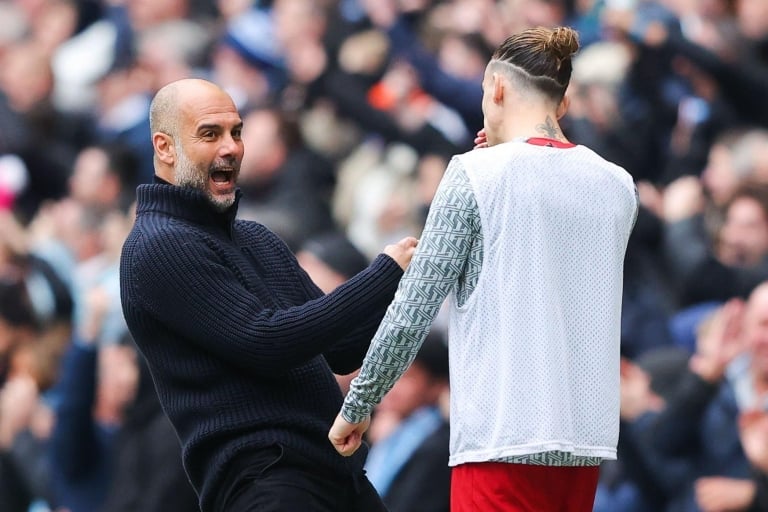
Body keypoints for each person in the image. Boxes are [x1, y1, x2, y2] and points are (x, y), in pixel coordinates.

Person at [329, 26, 639, 511]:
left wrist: (360, 402)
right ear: (562, 105)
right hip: (584, 438)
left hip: (501, 434)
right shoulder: (618, 185)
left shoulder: (473, 174)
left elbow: (414, 309)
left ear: (495, 88)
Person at [119, 77, 417, 512]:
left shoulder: (256, 238)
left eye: (236, 132)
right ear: (164, 148)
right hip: (267, 480)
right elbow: (267, 342)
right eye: (209, 134)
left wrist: (417, 281)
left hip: (336, 473)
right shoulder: (158, 245)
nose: (230, 147)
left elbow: (343, 349)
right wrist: (384, 275)